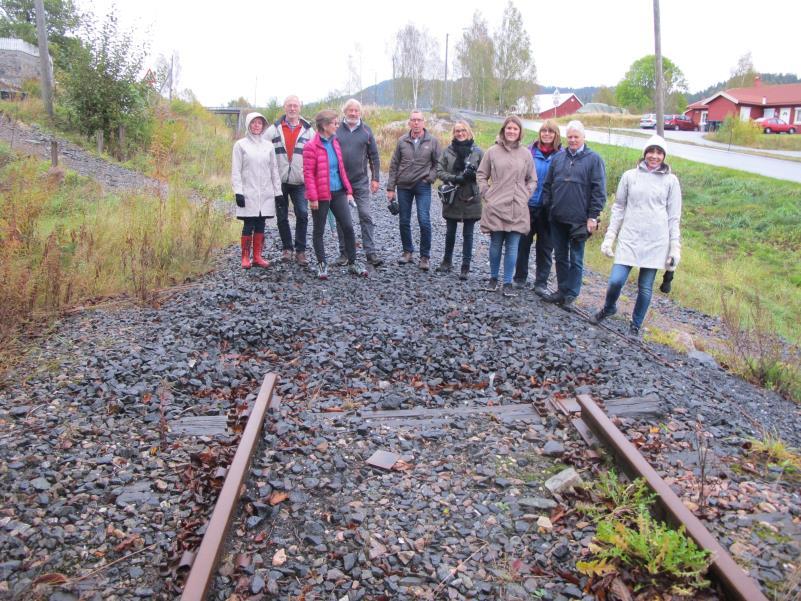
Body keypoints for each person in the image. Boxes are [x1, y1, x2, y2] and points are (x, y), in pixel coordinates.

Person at [590, 134, 682, 336]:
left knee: (645, 288)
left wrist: (675, 248)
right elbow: (619, 207)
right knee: (616, 280)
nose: (654, 156)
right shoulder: (630, 176)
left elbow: (674, 217)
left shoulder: (671, 181)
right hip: (630, 237)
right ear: (645, 153)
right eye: (651, 151)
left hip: (656, 241)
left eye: (659, 152)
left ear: (664, 156)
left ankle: (635, 325)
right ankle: (609, 307)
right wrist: (610, 237)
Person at [541, 120, 606, 311]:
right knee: (560, 256)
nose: (572, 140)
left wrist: (593, 216)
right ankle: (561, 290)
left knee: (576, 258)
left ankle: (571, 294)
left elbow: (599, 191)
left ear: (584, 137)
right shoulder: (558, 158)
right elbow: (548, 185)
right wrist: (548, 207)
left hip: (580, 220)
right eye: (569, 136)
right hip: (558, 217)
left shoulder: (594, 160)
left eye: (576, 136)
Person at [302, 109, 367, 280]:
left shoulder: (335, 142)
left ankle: (353, 262)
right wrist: (313, 197)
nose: (337, 126)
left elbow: (340, 169)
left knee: (348, 226)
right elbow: (308, 174)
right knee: (319, 230)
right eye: (334, 123)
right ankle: (322, 264)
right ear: (324, 125)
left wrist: (349, 191)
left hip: (338, 192)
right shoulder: (310, 147)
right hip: (321, 195)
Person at [476, 115, 537, 296]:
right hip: (496, 205)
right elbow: (481, 174)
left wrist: (526, 193)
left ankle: (508, 282)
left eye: (515, 129)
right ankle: (493, 278)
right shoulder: (492, 151)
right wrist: (486, 193)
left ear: (520, 132)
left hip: (518, 206)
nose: (511, 131)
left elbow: (533, 179)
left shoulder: (526, 154)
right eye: (509, 128)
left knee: (513, 247)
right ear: (504, 130)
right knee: (496, 244)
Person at [386, 110, 440, 270]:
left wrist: (429, 178)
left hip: (423, 186)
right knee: (404, 220)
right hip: (403, 186)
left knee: (424, 220)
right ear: (409, 123)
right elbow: (394, 164)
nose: (416, 123)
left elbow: (438, 164)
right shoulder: (402, 141)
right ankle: (407, 252)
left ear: (424, 122)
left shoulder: (432, 141)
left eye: (419, 120)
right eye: (413, 120)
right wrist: (391, 188)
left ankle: (425, 256)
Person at [513, 120, 561, 296]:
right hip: (528, 205)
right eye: (544, 131)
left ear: (556, 135)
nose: (546, 134)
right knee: (523, 244)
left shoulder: (561, 156)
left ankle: (541, 282)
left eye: (550, 131)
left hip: (549, 209)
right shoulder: (529, 152)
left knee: (545, 247)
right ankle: (519, 277)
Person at [266, 95, 315, 266]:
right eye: (289, 105)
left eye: (295, 105)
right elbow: (262, 150)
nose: (292, 108)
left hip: (300, 181)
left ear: (300, 107)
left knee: (302, 213)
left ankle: (300, 251)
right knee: (281, 216)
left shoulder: (308, 130)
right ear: (284, 107)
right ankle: (287, 248)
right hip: (279, 181)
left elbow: (316, 155)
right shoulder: (274, 129)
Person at [335, 99, 383, 267]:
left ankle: (370, 253)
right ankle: (344, 253)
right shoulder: (336, 131)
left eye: (356, 110)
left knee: (366, 215)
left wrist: (375, 178)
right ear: (345, 112)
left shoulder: (366, 131)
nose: (353, 113)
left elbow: (374, 156)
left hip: (360, 182)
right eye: (350, 110)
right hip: (340, 183)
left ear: (360, 112)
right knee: (342, 219)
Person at [231, 111, 282, 269]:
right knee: (248, 224)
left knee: (261, 224)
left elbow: (274, 170)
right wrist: (238, 191)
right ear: (248, 124)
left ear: (263, 126)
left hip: (265, 193)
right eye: (253, 122)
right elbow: (236, 170)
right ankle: (245, 257)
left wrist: (278, 192)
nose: (256, 126)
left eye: (259, 123)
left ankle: (258, 256)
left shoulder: (268, 146)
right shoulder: (240, 145)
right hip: (248, 192)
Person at [435, 121, 484, 280]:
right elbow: (439, 171)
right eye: (457, 131)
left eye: (463, 130)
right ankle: (447, 261)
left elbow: (486, 173)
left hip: (471, 196)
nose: (460, 133)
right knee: (450, 232)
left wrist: (473, 176)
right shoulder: (447, 151)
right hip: (452, 196)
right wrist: (456, 178)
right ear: (453, 133)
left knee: (468, 234)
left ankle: (465, 266)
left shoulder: (478, 152)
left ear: (468, 131)